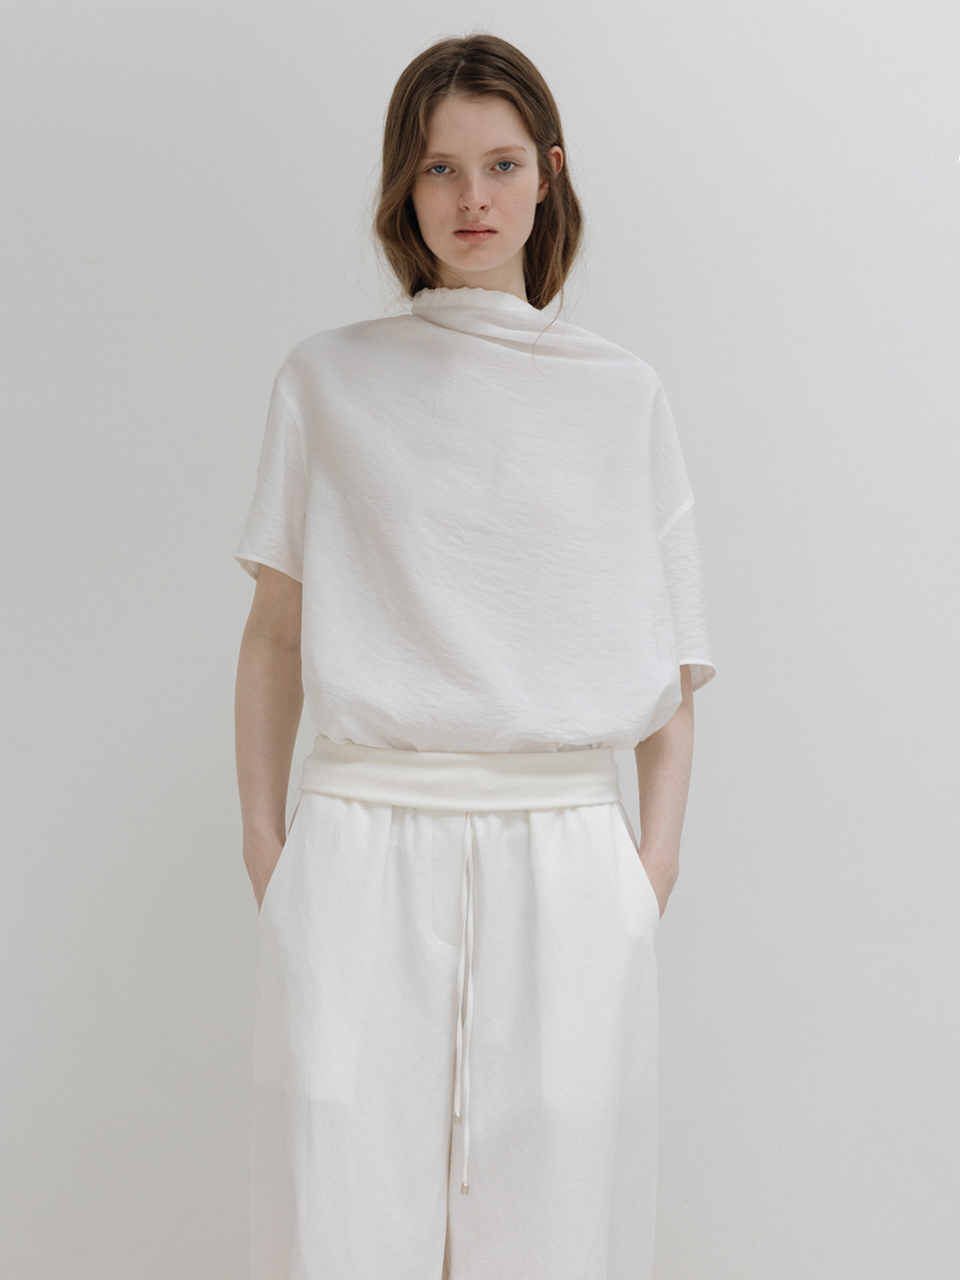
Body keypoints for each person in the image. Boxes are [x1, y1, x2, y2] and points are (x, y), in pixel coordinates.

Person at [233, 32, 716, 1280]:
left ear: (549, 172)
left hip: (566, 855)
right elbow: (276, 631)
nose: (472, 199)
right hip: (358, 844)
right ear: (404, 185)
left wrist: (650, 868)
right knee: (343, 1221)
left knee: (556, 1228)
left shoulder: (621, 392)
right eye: (440, 169)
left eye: (501, 164)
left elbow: (671, 670)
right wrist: (267, 847)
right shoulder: (327, 379)